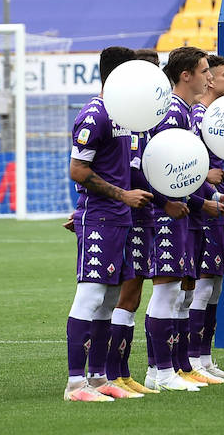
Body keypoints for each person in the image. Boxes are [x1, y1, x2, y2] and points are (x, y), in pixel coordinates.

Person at [64, 46, 152, 402]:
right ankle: (74, 384)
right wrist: (122, 196)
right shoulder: (95, 114)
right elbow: (78, 170)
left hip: (120, 219)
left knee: (110, 298)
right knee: (91, 295)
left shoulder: (124, 113)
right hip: (102, 217)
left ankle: (99, 378)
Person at [143, 46, 224, 392]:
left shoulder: (185, 112)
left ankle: (176, 367)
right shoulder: (171, 114)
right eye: (205, 71)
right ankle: (159, 371)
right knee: (167, 291)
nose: (210, 77)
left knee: (180, 293)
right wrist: (189, 199)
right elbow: (159, 166)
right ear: (186, 75)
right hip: (168, 213)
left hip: (185, 211)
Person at [187, 54, 224, 379]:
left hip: (219, 207)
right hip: (206, 210)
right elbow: (195, 168)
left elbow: (219, 172)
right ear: (209, 79)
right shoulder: (198, 117)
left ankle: (204, 358)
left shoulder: (213, 117)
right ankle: (193, 360)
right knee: (203, 286)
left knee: (214, 288)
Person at [104, 47, 159, 395]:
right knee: (120, 296)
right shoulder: (113, 116)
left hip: (142, 214)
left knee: (133, 295)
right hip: (121, 216)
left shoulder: (143, 119)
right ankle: (108, 373)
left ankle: (121, 372)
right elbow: (94, 167)